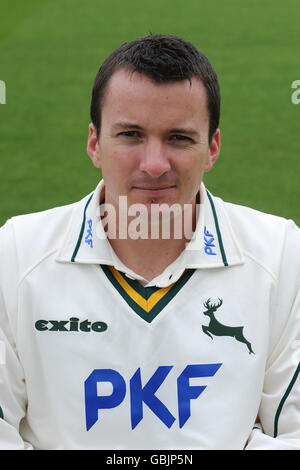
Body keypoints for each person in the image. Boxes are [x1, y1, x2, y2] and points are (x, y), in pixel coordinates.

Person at [0, 34, 299, 450]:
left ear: (212, 148)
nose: (155, 165)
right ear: (94, 143)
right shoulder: (15, 253)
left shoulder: (281, 255)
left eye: (179, 138)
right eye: (130, 135)